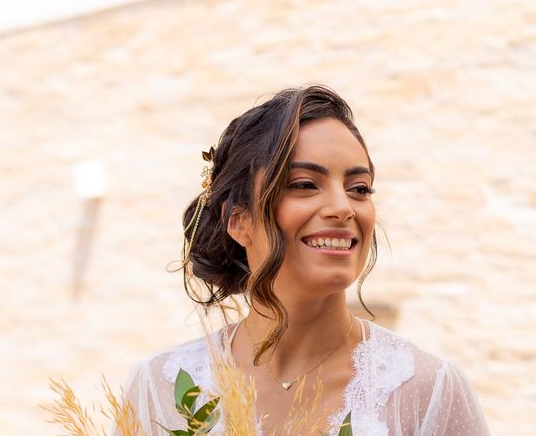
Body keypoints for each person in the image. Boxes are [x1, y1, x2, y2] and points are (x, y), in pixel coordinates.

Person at [113, 86, 491, 436]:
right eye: (305, 184)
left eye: (359, 189)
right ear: (238, 219)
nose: (343, 208)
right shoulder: (157, 387)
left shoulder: (429, 389)